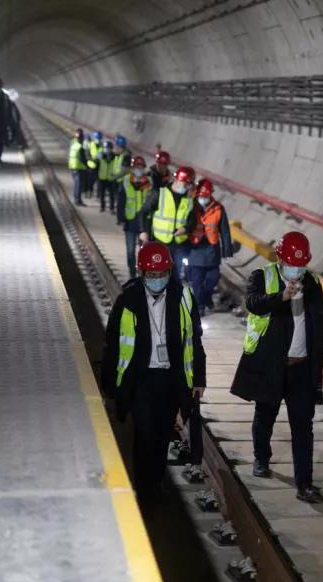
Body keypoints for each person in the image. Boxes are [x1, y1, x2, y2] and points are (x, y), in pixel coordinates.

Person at [101, 242, 206, 503]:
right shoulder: (129, 300)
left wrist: (198, 379)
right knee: (145, 433)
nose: (157, 279)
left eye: (162, 274)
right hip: (142, 379)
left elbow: (194, 339)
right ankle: (144, 489)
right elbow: (113, 343)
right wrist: (109, 384)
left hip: (170, 379)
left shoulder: (182, 296)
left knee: (161, 436)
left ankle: (155, 483)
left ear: (169, 272)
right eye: (152, 274)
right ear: (142, 272)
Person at [230, 232, 323, 504]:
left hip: (301, 367)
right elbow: (253, 304)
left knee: (303, 426)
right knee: (265, 415)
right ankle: (261, 458)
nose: (297, 269)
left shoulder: (313, 283)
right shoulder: (262, 276)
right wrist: (281, 297)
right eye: (292, 263)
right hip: (272, 364)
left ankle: (304, 484)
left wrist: (316, 371)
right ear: (280, 258)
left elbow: (316, 328)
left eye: (301, 263)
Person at [139, 166, 195, 280]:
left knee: (176, 277)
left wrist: (186, 228)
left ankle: (171, 296)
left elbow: (192, 220)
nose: (186, 187)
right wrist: (143, 231)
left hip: (179, 245)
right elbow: (143, 212)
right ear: (177, 180)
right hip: (160, 242)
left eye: (189, 185)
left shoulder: (189, 200)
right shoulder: (160, 193)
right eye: (185, 184)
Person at [187, 179, 234, 314]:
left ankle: (206, 298)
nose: (203, 198)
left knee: (213, 278)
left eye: (206, 196)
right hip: (195, 248)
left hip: (211, 249)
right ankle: (200, 306)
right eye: (201, 196)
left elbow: (224, 231)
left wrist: (227, 251)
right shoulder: (191, 206)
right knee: (197, 281)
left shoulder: (218, 208)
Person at [117, 155, 152, 279]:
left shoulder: (149, 183)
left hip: (144, 223)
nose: (139, 169)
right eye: (136, 167)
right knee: (130, 251)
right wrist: (120, 218)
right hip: (130, 221)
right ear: (132, 168)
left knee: (144, 251)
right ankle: (132, 273)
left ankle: (142, 273)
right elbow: (121, 200)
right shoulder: (126, 181)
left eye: (141, 167)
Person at [103, 134, 132, 213]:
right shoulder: (119, 154)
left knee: (121, 200)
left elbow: (124, 171)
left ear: (121, 146)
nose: (115, 147)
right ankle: (119, 214)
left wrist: (114, 177)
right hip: (117, 180)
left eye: (117, 146)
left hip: (122, 181)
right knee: (116, 198)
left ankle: (121, 217)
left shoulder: (126, 156)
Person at [68, 129, 92, 206]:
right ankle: (78, 200)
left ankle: (76, 199)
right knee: (79, 184)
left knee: (76, 184)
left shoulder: (73, 143)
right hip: (79, 167)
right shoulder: (80, 146)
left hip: (72, 166)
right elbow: (82, 159)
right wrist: (88, 166)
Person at [86, 131, 103, 199]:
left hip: (100, 166)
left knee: (99, 181)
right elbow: (87, 155)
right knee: (91, 181)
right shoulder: (91, 144)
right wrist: (93, 160)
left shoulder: (103, 145)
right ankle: (90, 192)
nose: (98, 140)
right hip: (91, 166)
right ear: (94, 138)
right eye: (97, 138)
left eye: (99, 138)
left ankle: (98, 195)